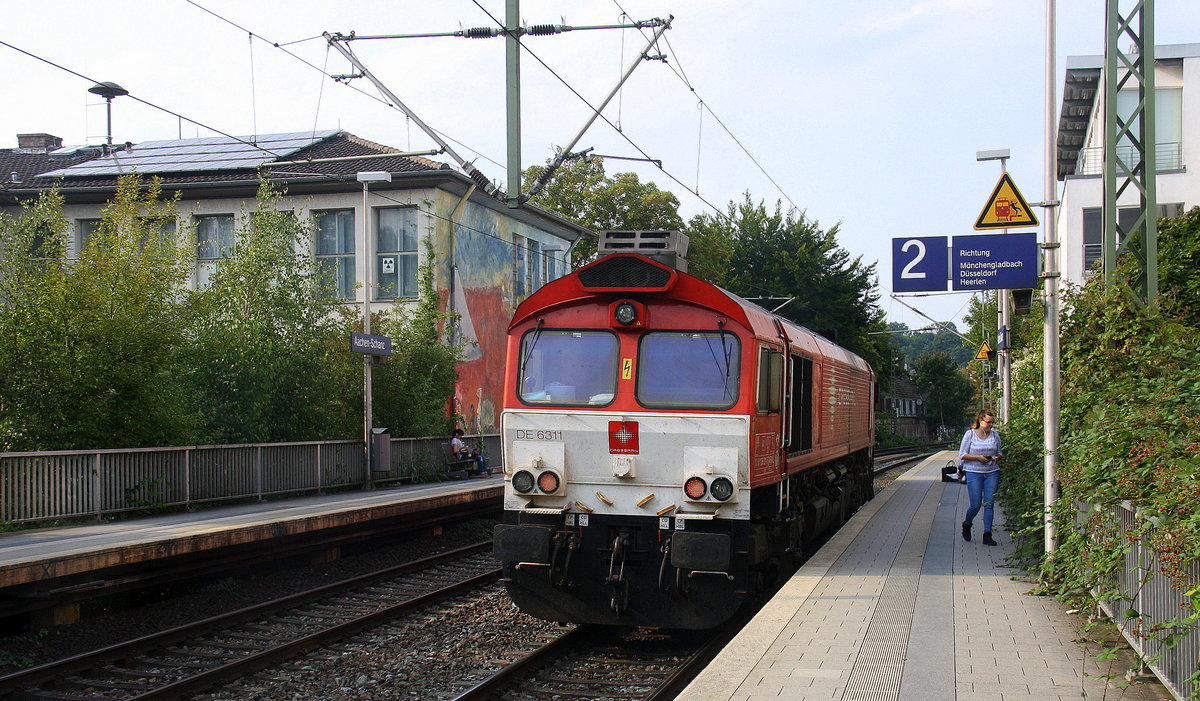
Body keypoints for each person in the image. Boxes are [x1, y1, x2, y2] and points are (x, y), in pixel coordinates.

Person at [959, 409, 1002, 545]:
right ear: (980, 421)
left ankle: (987, 534)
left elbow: (1000, 452)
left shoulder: (995, 435)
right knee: (976, 504)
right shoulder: (970, 434)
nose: (990, 425)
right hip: (973, 471)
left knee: (989, 503)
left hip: (992, 471)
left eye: (992, 423)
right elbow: (962, 454)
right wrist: (977, 458)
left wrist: (996, 458)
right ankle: (967, 523)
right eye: (988, 422)